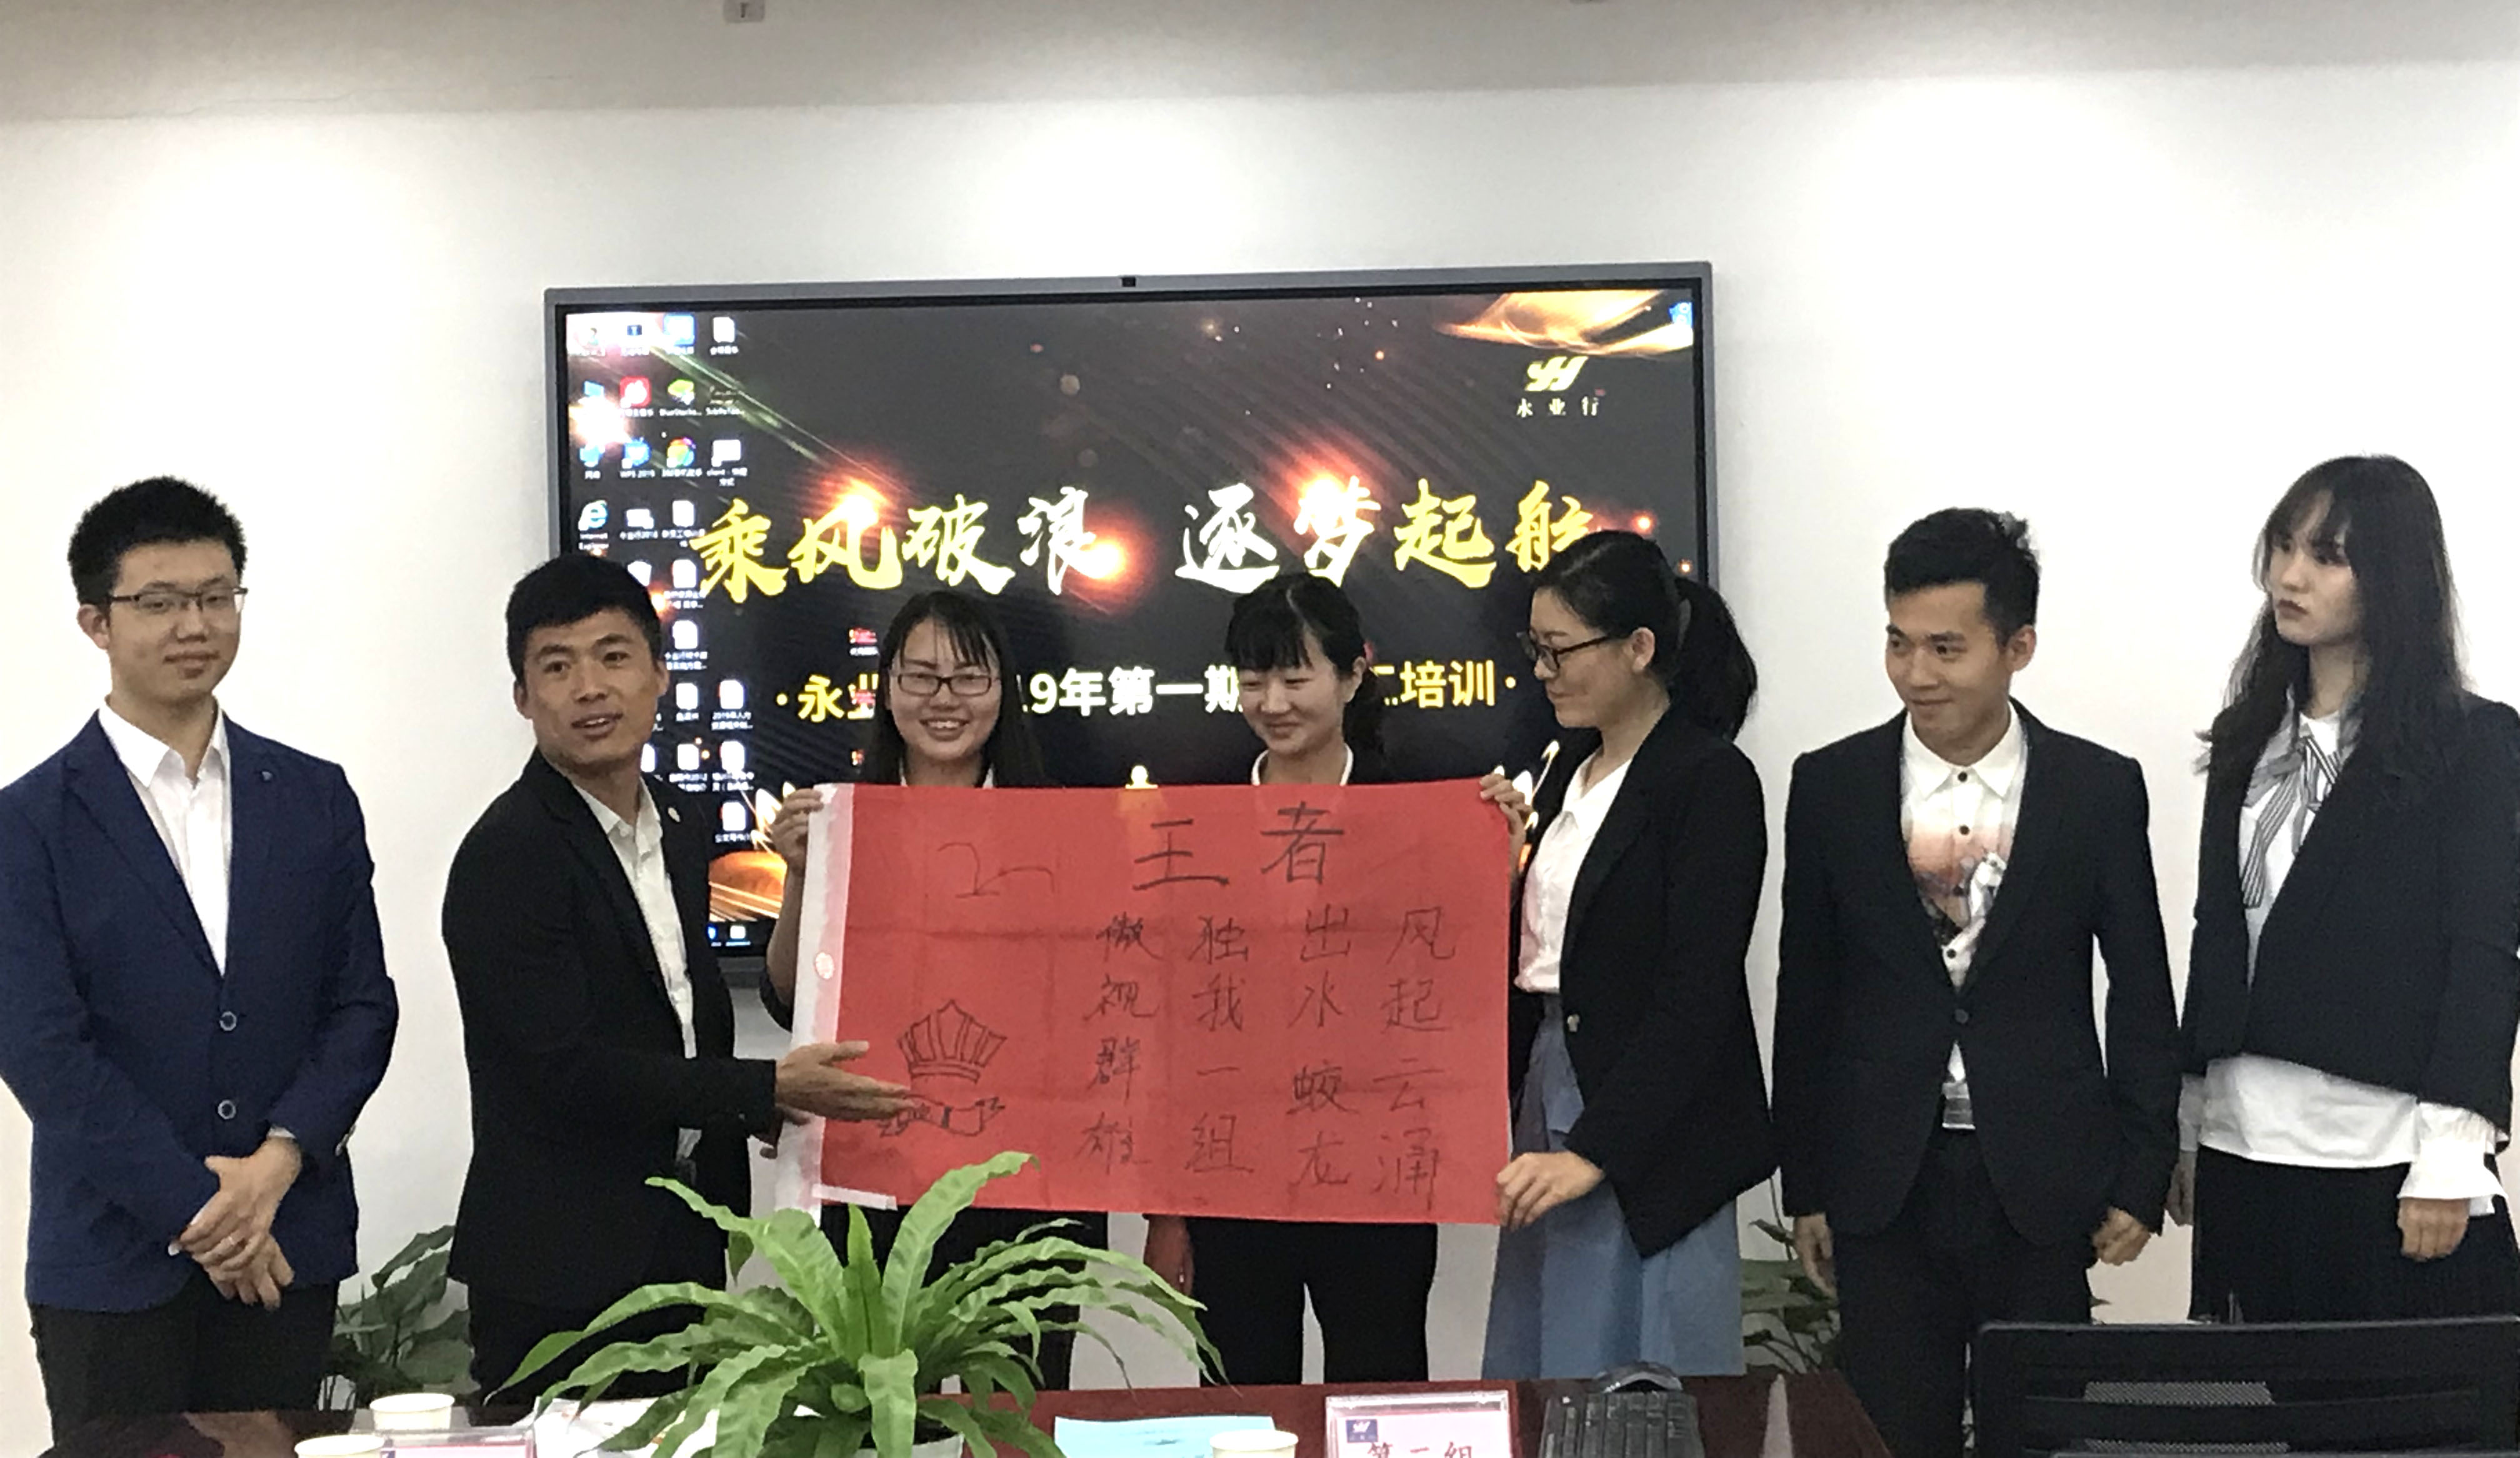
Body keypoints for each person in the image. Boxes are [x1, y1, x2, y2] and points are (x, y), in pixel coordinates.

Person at [445, 553, 912, 1398]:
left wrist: (753, 1102)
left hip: (683, 1236)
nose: (591, 687)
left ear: (660, 674)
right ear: (522, 697)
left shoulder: (683, 821)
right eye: (558, 666)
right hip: (560, 1266)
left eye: (614, 656)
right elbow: (565, 1072)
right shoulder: (509, 854)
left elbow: (681, 1015)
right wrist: (761, 1089)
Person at [1771, 508, 2181, 1458]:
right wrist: (1808, 1183)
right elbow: (1807, 995)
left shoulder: (2095, 789)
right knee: (1890, 1433)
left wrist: (2141, 1170)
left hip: (2040, 1176)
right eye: (1899, 642)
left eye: (1946, 648)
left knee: (2040, 1431)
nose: (1917, 672)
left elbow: (2141, 989)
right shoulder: (1832, 786)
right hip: (1884, 1176)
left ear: (2018, 647)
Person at [0, 478, 398, 1435]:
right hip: (113, 1264)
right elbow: (44, 1052)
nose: (195, 625)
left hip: (287, 1248)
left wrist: (274, 1166)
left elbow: (361, 1008)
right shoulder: (29, 824)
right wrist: (204, 1214)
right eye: (160, 602)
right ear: (96, 622)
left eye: (217, 597)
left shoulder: (312, 797)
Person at [2170, 455, 2520, 1320]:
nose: (2289, 577)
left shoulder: (2470, 743)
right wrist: (2184, 1112)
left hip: (2384, 1148)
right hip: (2243, 1140)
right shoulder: (2249, 739)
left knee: (2411, 1394)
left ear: (2393, 576)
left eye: (2327, 557)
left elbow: (2483, 953)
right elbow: (2220, 932)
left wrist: (2451, 1152)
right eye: (2284, 547)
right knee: (2256, 1389)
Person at [759, 588, 1108, 1389]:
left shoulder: (1063, 825)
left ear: (1003, 690)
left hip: (1029, 1184)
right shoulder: (841, 820)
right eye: (920, 676)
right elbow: (787, 997)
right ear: (886, 689)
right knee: (884, 1415)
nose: (944, 699)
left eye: (968, 677)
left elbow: (1105, 999)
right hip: (878, 1178)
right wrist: (801, 875)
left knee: (1016, 1416)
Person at [1476, 533, 1772, 1379]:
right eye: (1536, 649)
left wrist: (1594, 1150)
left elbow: (1698, 991)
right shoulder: (1562, 767)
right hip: (1551, 1079)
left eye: (1562, 650)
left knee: (1640, 1370)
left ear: (1639, 648)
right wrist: (1496, 857)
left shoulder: (1709, 778)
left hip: (1651, 1121)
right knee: (1546, 1359)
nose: (1544, 672)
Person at [1138, 570, 1441, 1385]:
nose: (1272, 702)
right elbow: (1170, 1024)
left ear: (1353, 673)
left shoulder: (1416, 813)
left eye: (1296, 678)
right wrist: (1168, 1210)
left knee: (1379, 1400)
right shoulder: (1198, 817)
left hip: (1376, 1179)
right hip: (1233, 1179)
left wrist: (1497, 851)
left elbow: (1457, 991)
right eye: (1253, 679)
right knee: (1241, 1409)